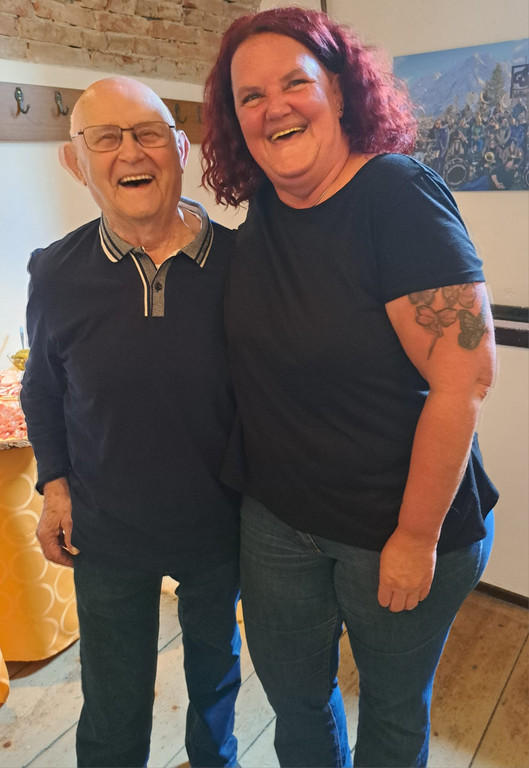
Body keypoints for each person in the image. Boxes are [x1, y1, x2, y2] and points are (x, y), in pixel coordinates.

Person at [201, 7, 498, 768]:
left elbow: (464, 377)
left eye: (294, 84)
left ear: (338, 92)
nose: (273, 107)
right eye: (250, 96)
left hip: (394, 525)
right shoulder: (263, 211)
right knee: (295, 700)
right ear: (235, 121)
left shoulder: (395, 194)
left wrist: (415, 537)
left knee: (391, 716)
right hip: (278, 521)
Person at [21, 76, 241, 768]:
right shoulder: (55, 272)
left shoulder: (243, 265)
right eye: (105, 138)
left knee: (217, 681)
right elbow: (42, 388)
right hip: (106, 525)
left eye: (148, 133)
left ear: (181, 150)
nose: (130, 152)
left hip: (223, 522)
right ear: (75, 161)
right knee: (112, 702)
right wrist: (54, 487)